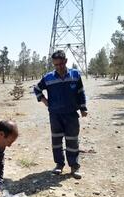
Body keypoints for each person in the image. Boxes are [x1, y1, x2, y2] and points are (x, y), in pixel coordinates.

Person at [33, 50, 88, 179]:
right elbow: (36, 88)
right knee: (56, 141)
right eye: (56, 64)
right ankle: (59, 164)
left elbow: (80, 92)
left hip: (71, 115)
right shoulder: (48, 77)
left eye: (61, 64)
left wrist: (83, 108)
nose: (59, 67)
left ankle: (74, 166)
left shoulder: (75, 75)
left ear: (66, 61)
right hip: (55, 115)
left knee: (72, 141)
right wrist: (44, 100)